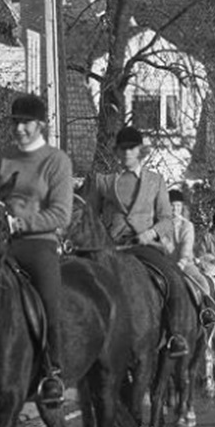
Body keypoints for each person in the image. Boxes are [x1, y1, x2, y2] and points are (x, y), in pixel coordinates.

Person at [82, 125, 196, 358]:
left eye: (131, 149)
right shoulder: (104, 181)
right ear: (116, 151)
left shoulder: (155, 181)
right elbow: (89, 217)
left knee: (173, 276)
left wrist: (150, 233)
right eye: (122, 149)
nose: (126, 153)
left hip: (144, 245)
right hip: (111, 246)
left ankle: (175, 335)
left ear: (140, 151)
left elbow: (166, 218)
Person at [0, 93, 72, 406]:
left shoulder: (57, 161)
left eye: (26, 123)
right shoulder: (3, 158)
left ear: (40, 124)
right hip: (1, 242)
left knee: (49, 299)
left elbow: (61, 214)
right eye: (16, 122)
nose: (20, 129)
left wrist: (20, 223)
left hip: (39, 243)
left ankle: (52, 370)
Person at [165, 189, 215, 325]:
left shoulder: (187, 225)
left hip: (185, 264)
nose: (174, 208)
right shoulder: (160, 224)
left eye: (177, 205)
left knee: (203, 283)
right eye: (172, 205)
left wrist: (182, 261)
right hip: (165, 262)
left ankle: (208, 313)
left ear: (181, 207)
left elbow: (187, 246)